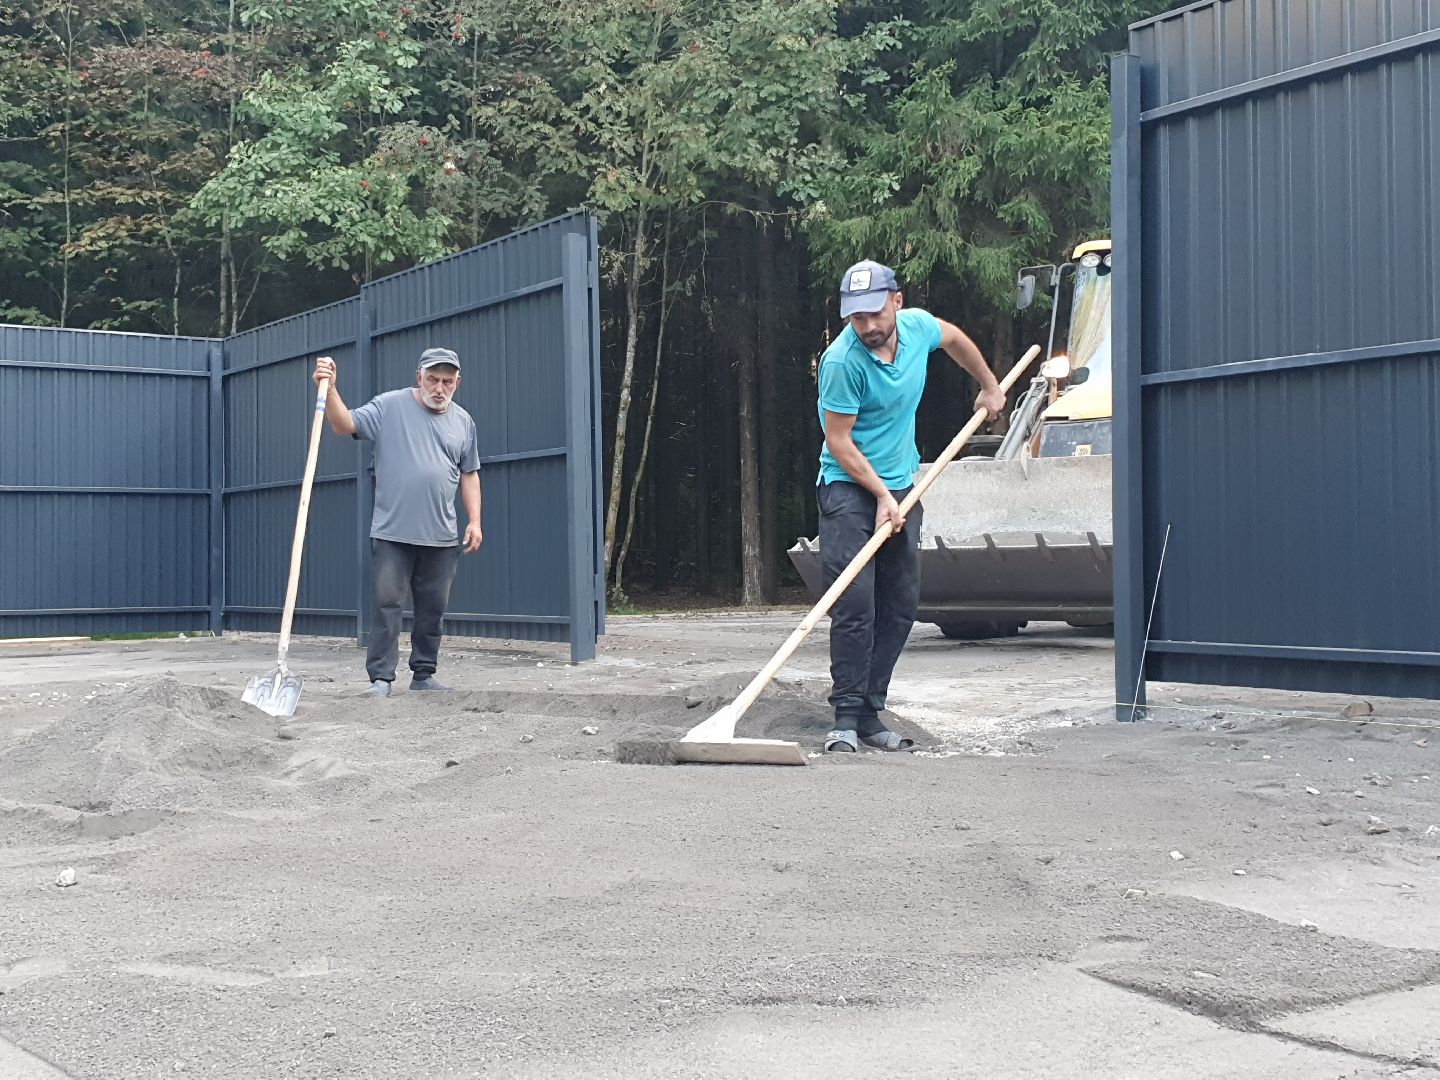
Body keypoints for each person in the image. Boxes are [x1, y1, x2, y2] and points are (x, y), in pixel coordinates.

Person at [815, 260, 1005, 752]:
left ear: (897, 302)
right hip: (848, 488)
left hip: (903, 485)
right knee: (855, 603)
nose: (870, 327)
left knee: (899, 604)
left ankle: (870, 715)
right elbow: (839, 443)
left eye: (876, 313)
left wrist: (988, 385)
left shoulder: (918, 327)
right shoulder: (841, 363)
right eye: (858, 318)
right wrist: (879, 496)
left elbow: (955, 339)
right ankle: (845, 716)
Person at [312, 348, 483, 697]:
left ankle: (423, 675)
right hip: (393, 532)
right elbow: (344, 424)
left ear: (457, 383)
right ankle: (381, 679)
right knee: (387, 605)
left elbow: (470, 475)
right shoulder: (388, 407)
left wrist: (475, 521)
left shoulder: (464, 422)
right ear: (418, 376)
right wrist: (330, 390)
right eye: (433, 379)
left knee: (432, 609)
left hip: (442, 535)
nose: (439, 388)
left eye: (447, 382)